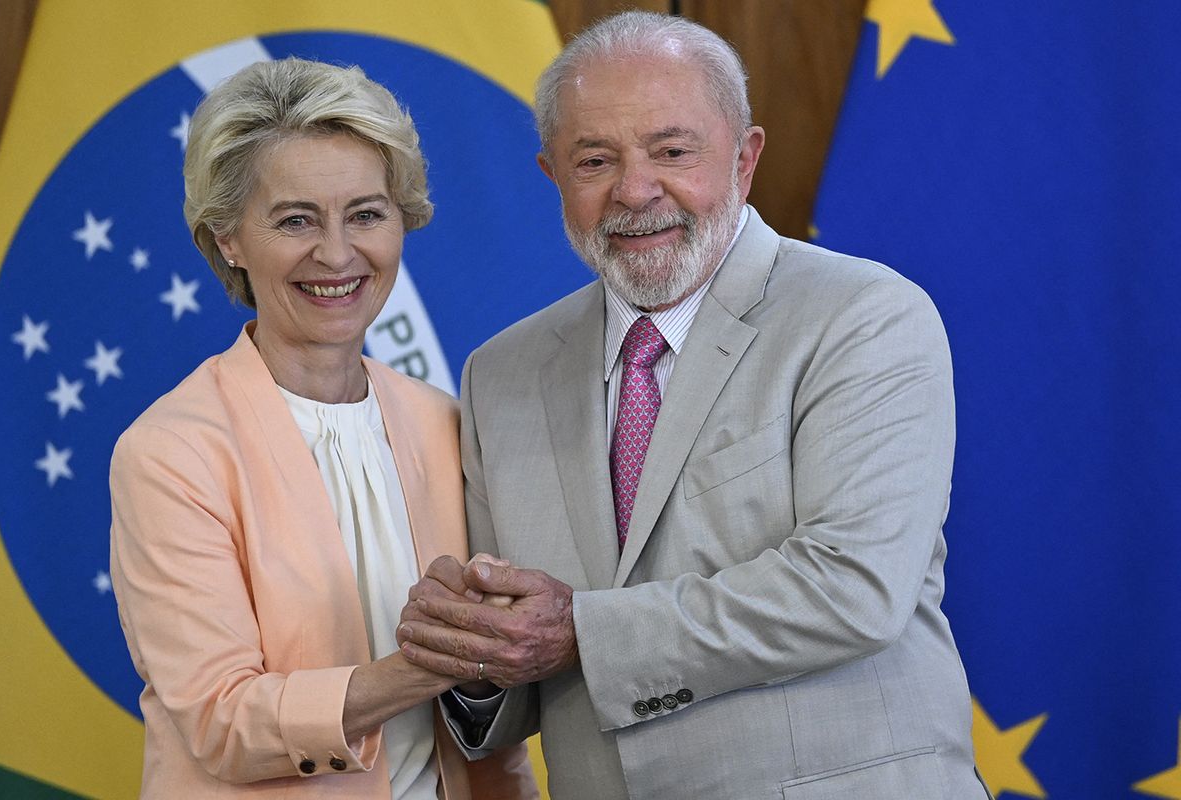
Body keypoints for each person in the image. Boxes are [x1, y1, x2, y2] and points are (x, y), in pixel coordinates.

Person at [395, 11, 994, 800]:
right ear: (552, 178)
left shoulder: (865, 316)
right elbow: (520, 672)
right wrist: (474, 659)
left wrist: (580, 631)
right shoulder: (499, 375)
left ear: (744, 160)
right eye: (594, 160)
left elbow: (854, 588)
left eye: (673, 152)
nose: (635, 190)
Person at [108, 58, 536, 799]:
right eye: (296, 219)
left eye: (366, 214)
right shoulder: (170, 453)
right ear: (228, 239)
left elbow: (488, 707)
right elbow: (222, 721)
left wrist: (490, 659)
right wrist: (428, 664)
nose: (337, 254)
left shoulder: (444, 420)